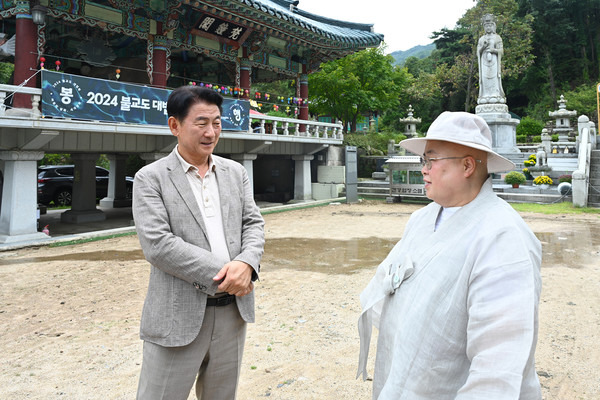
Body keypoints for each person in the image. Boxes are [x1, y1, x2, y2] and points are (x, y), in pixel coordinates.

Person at [357, 111, 542, 399]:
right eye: (423, 161)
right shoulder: (422, 219)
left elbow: (497, 363)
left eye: (430, 160)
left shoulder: (503, 237)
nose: (424, 169)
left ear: (468, 166)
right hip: (409, 375)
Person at [133, 85, 265, 400]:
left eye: (217, 122)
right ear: (175, 125)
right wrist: (229, 273)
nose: (211, 132)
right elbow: (158, 245)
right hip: (177, 312)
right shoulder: (150, 178)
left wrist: (246, 263)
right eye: (201, 122)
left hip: (232, 312)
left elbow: (253, 223)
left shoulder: (236, 173)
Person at [477, 14, 505, 104]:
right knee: (485, 78)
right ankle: (485, 95)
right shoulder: (481, 39)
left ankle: (495, 94)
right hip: (484, 61)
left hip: (494, 61)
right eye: (486, 26)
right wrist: (483, 47)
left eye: (490, 25)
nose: (488, 27)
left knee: (494, 78)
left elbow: (501, 51)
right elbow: (478, 52)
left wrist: (494, 50)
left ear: (493, 26)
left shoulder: (497, 38)